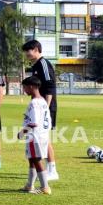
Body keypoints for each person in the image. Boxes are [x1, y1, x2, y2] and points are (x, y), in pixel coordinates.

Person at [22, 40, 59, 181]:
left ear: (36, 49)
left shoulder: (43, 63)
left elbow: (50, 86)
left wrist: (46, 107)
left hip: (45, 107)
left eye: (28, 50)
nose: (26, 53)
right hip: (40, 106)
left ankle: (52, 170)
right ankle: (48, 169)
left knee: (45, 139)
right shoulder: (36, 65)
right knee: (43, 139)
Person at [17, 76, 52, 195]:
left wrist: (22, 132)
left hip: (35, 136)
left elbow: (33, 123)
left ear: (31, 87)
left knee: (36, 160)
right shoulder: (43, 101)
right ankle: (29, 185)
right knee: (32, 160)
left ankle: (45, 187)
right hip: (43, 135)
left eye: (25, 87)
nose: (24, 90)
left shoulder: (34, 103)